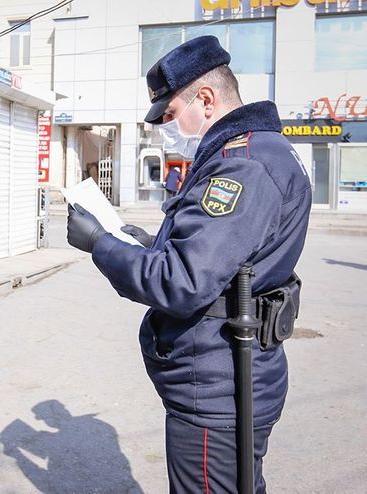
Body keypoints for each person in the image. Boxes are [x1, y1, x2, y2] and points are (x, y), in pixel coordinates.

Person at [66, 36, 311, 493]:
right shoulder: (249, 152)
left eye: (169, 114)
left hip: (218, 384)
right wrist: (139, 242)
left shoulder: (244, 165)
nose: (163, 127)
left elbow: (183, 282)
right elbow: (217, 254)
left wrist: (100, 243)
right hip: (226, 375)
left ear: (206, 98)